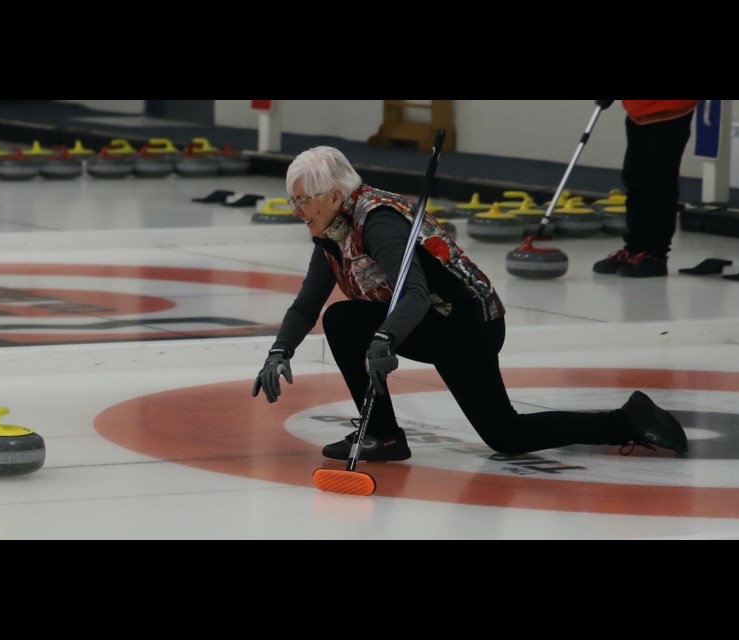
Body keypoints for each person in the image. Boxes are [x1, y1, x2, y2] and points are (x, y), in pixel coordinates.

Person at [251, 145, 688, 461]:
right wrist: (279, 350)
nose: (296, 210)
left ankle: (382, 436)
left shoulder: (378, 221)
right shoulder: (334, 230)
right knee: (505, 434)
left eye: (302, 200)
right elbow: (305, 304)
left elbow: (415, 292)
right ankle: (628, 419)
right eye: (294, 201)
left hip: (465, 323)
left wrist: (386, 335)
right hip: (442, 322)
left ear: (331, 196)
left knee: (344, 320)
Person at [593, 99, 698, 278]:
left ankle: (655, 254)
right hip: (637, 111)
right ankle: (634, 248)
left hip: (670, 111)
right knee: (635, 179)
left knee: (659, 181)